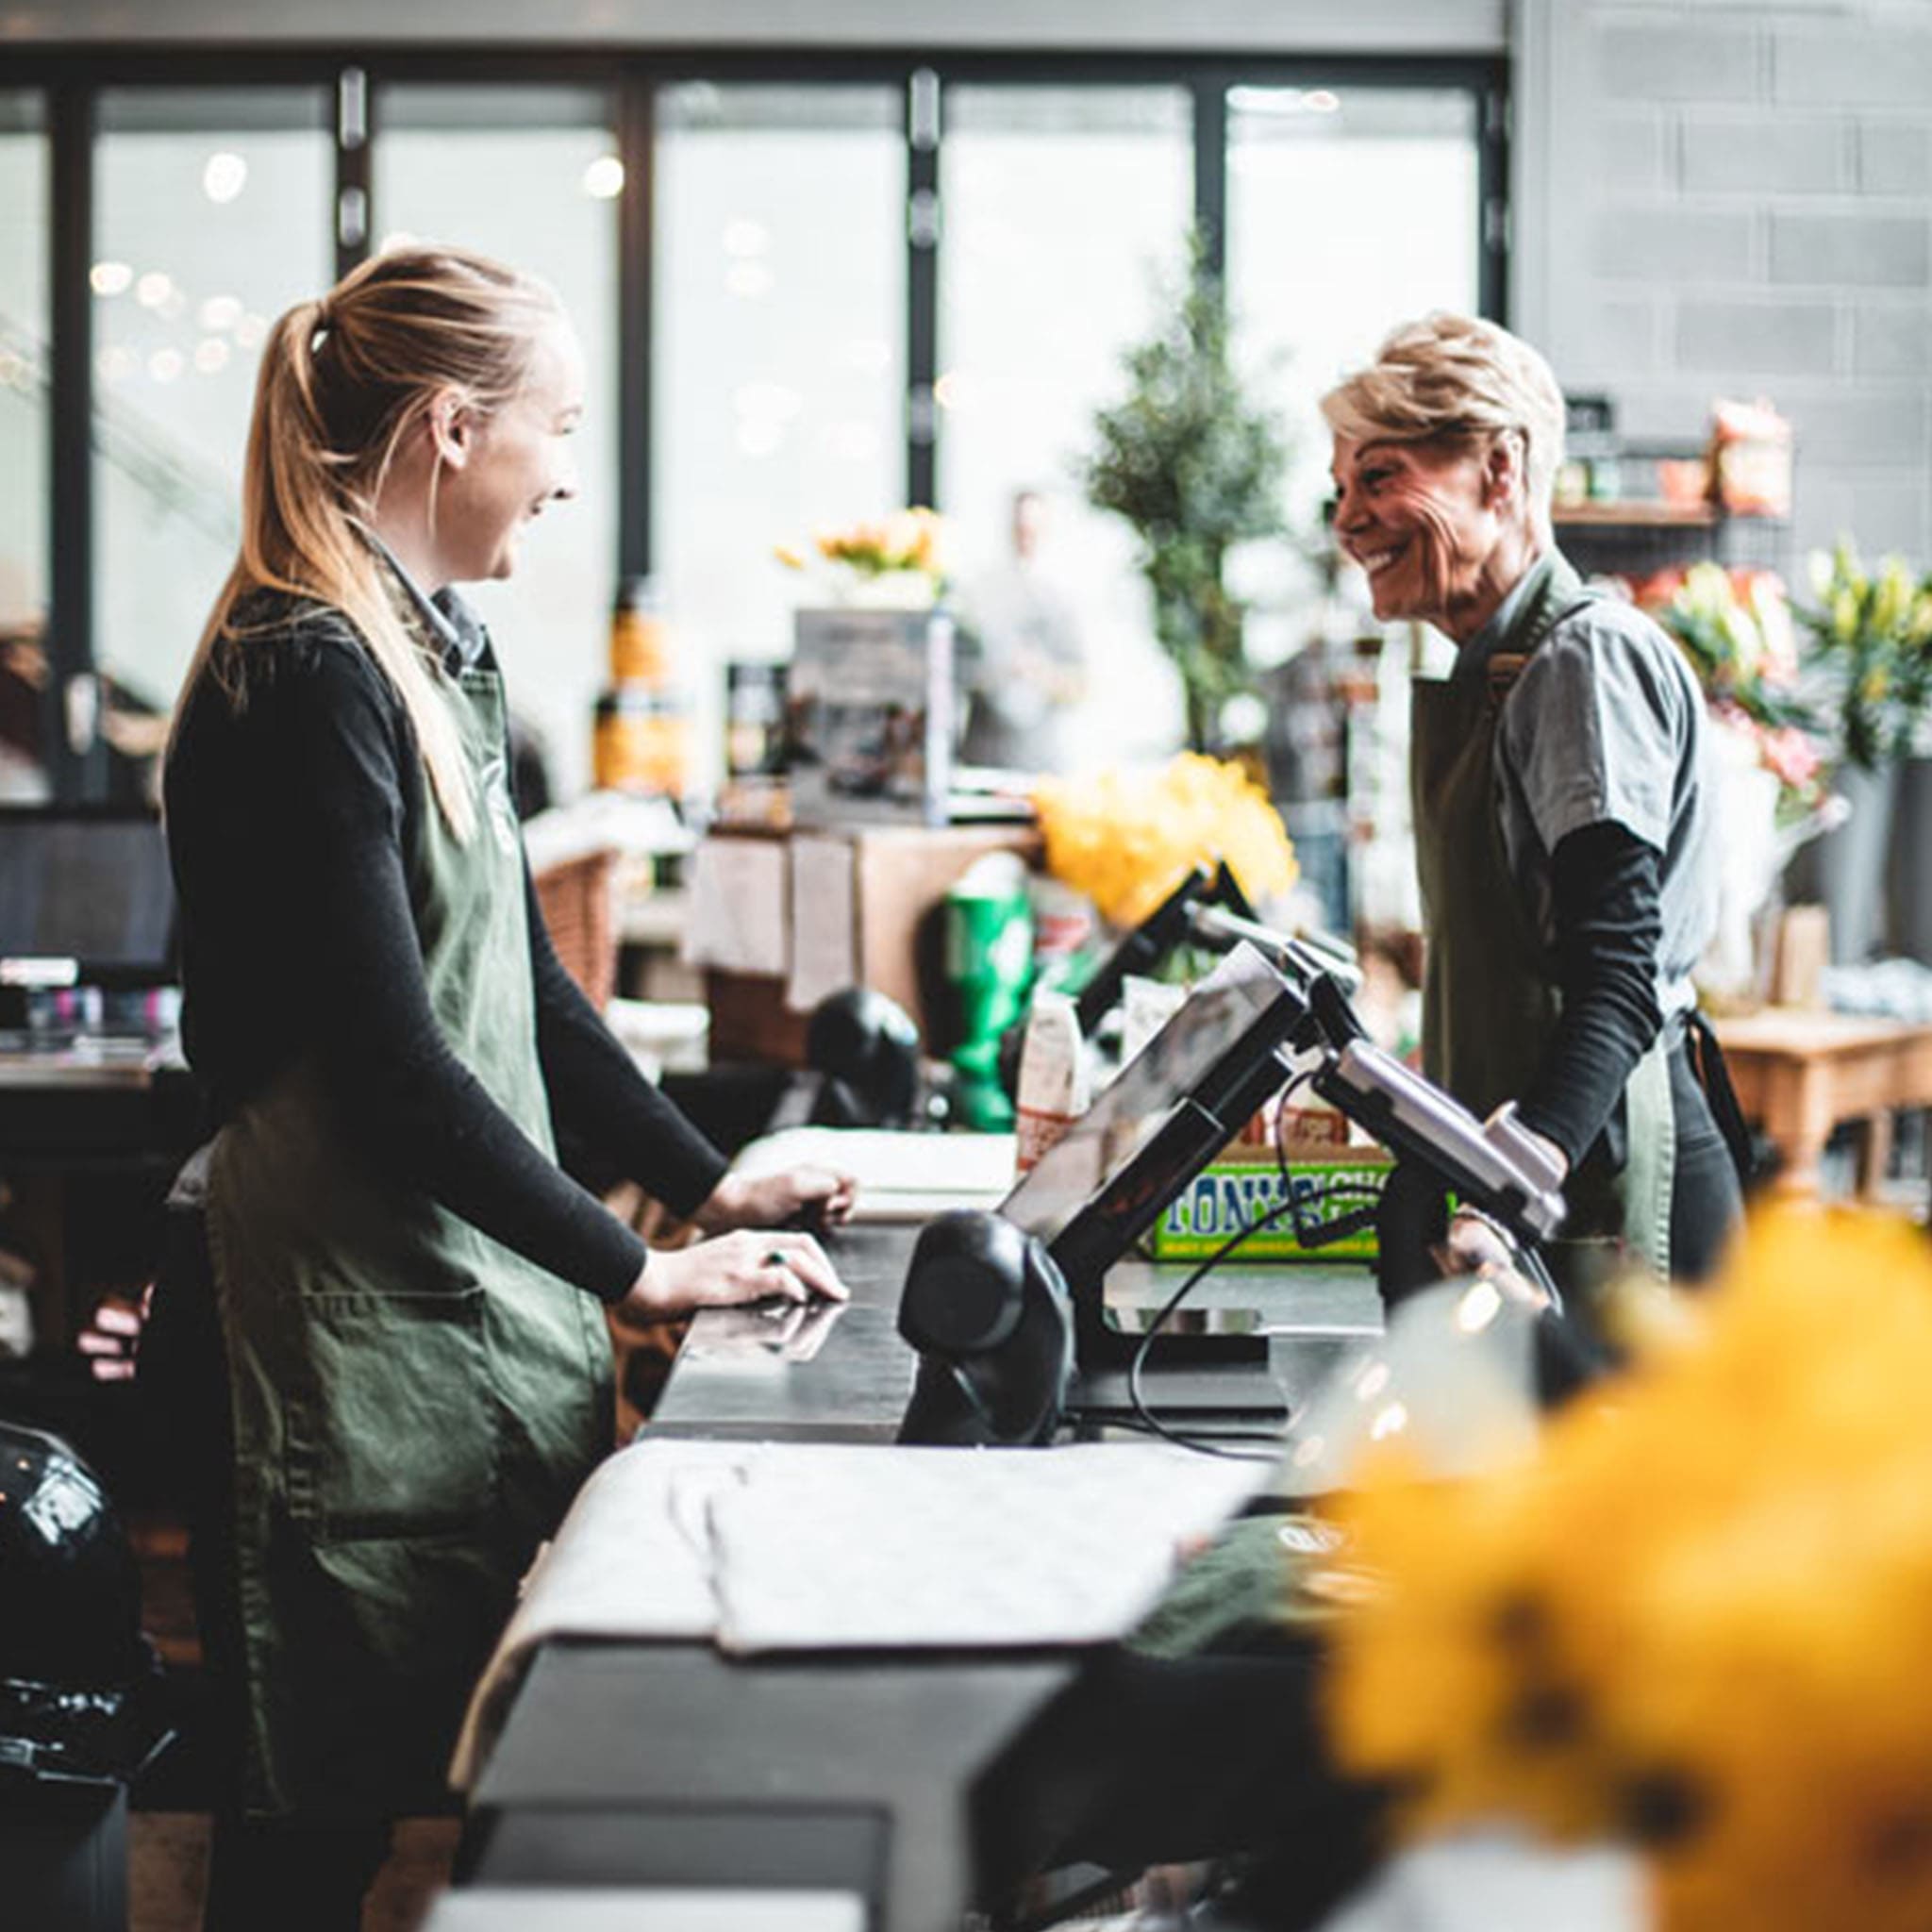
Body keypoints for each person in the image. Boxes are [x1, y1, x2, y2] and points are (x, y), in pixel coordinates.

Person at [158, 244, 855, 1928]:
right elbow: (391, 1058)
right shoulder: (303, 670)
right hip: (325, 1322)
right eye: (554, 424)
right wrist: (642, 1267)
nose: (562, 470)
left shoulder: (419, 648)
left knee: (407, 1782)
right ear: (454, 428)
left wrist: (705, 1181)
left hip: (428, 1298)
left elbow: (520, 988)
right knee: (309, 1815)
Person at [1322, 313, 1742, 1292]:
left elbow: (1616, 970)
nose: (1345, 519)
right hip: (1523, 1182)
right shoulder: (1494, 666)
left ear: (1499, 470)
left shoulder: (1578, 660)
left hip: (1597, 1186)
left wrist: (1503, 1187)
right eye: (1339, 486)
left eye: (1379, 477)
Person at [958, 488, 1087, 772]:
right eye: (1020, 528)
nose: (1026, 537)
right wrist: (995, 672)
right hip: (982, 761)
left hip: (1040, 765)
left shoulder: (1062, 600)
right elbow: (955, 673)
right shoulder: (978, 594)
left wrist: (1040, 672)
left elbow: (1080, 686)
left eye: (1033, 529)